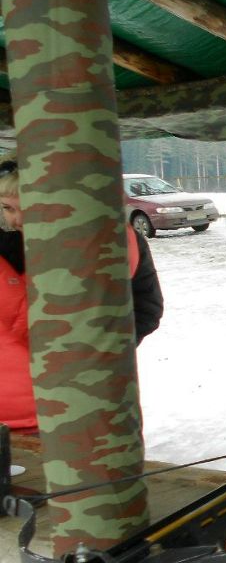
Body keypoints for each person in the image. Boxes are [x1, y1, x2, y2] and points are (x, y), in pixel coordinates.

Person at [0, 158, 164, 433]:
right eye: (7, 208)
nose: (16, 219)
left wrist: (98, 354)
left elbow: (146, 309)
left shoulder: (111, 244)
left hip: (83, 412)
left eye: (29, 208)